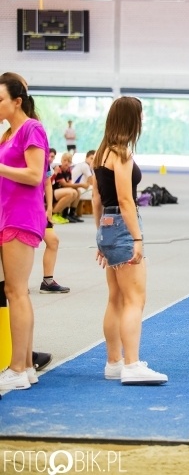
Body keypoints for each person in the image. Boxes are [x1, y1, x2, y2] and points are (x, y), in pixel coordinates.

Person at [92, 96, 167, 386]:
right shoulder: (121, 154)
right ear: (130, 120)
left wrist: (101, 236)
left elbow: (98, 199)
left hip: (107, 227)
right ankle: (132, 364)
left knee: (116, 298)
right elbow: (125, 199)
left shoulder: (100, 154)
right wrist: (137, 238)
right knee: (135, 298)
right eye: (141, 116)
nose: (143, 121)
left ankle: (114, 361)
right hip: (123, 226)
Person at [0, 72, 49, 391]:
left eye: (0, 100)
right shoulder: (8, 134)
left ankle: (18, 367)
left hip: (20, 217)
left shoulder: (31, 128)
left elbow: (34, 175)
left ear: (17, 102)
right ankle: (25, 366)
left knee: (16, 291)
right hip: (7, 216)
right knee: (16, 292)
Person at [40, 170, 70, 294]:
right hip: (17, 204)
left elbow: (47, 183)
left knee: (53, 241)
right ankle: (16, 282)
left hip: (38, 206)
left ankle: (47, 282)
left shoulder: (43, 155)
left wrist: (50, 208)